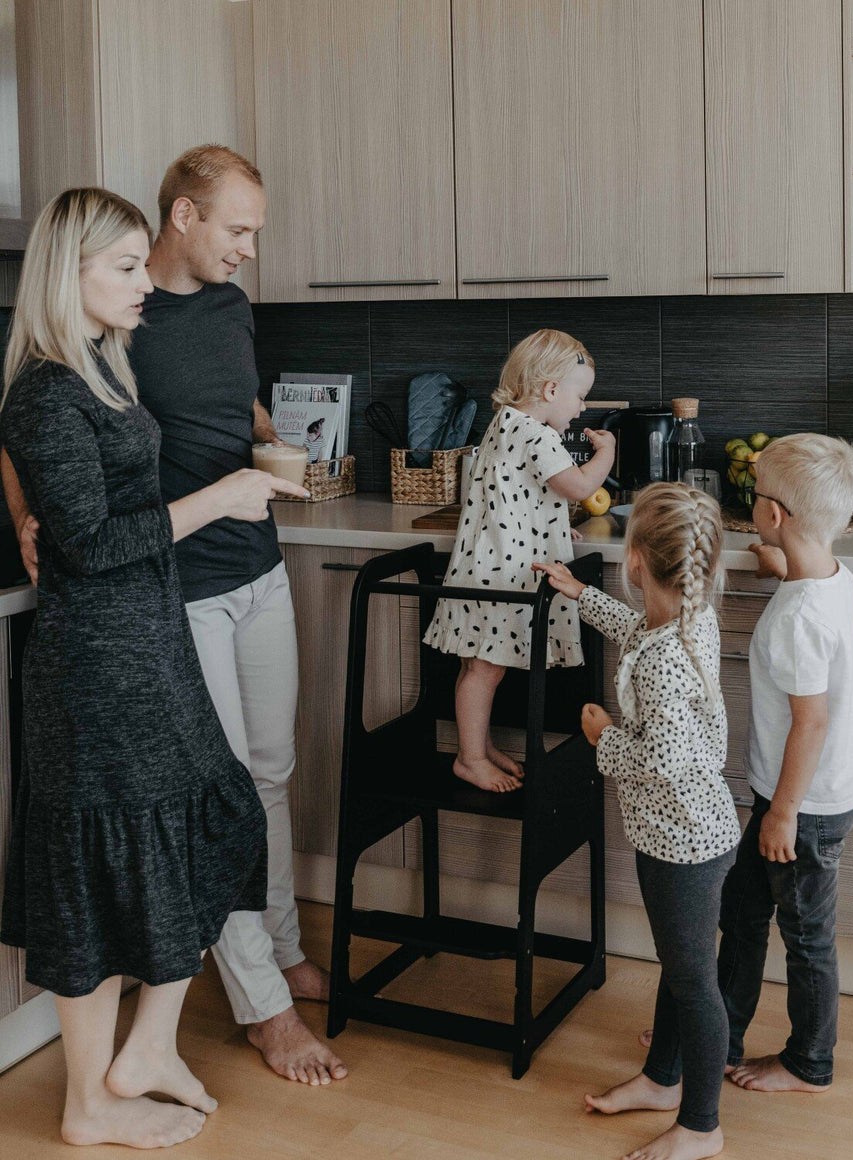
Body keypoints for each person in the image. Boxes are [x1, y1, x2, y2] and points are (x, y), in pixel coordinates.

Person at [2, 144, 346, 1086]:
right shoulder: (115, 318)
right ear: (183, 218)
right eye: (238, 230)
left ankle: (277, 949)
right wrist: (27, 512)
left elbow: (227, 404)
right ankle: (262, 1011)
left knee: (267, 774)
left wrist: (280, 445)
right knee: (220, 794)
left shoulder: (222, 308)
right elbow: (28, 419)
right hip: (169, 591)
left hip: (256, 565)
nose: (248, 250)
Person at [536, 482, 741, 1160]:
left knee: (693, 982)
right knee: (679, 963)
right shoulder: (685, 615)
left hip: (684, 841)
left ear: (632, 562)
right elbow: (633, 630)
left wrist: (602, 736)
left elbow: (664, 755)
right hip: (684, 834)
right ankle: (662, 1080)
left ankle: (702, 1126)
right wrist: (578, 593)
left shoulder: (664, 659)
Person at [718, 433, 853, 1094]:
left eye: (755, 498)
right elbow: (811, 609)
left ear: (774, 516)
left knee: (805, 938)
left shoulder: (798, 621)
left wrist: (781, 813)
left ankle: (809, 1062)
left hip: (802, 807)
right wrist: (781, 566)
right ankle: (716, 1028)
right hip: (804, 794)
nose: (751, 506)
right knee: (743, 909)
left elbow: (811, 719)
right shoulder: (832, 578)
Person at [423, 328, 615, 792]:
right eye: (579, 395)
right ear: (550, 390)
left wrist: (549, 526)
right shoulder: (538, 435)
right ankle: (469, 759)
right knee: (485, 668)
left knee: (480, 666)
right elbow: (577, 487)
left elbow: (510, 496)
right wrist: (606, 453)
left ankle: (478, 746)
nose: (582, 407)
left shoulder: (505, 423)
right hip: (502, 573)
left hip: (487, 563)